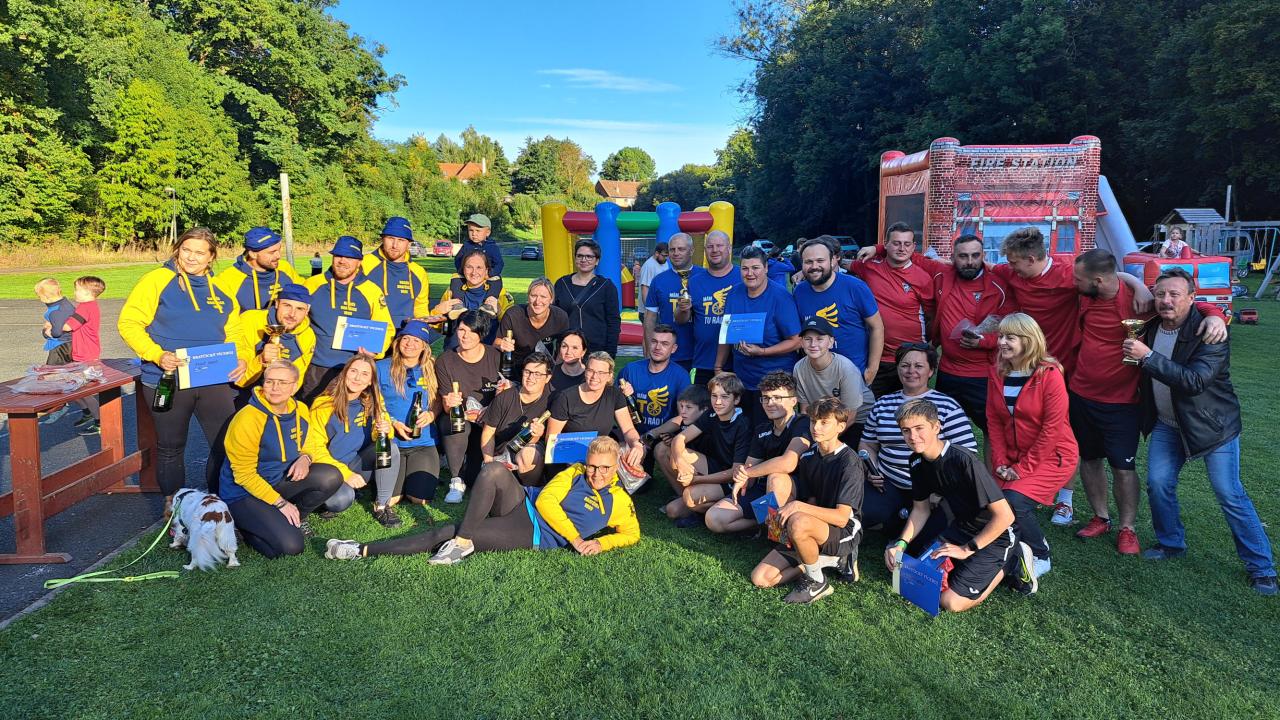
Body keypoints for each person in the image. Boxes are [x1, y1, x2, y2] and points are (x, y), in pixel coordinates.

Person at [1124, 269, 1277, 595]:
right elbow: (1112, 277)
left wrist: (1148, 357)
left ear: (1192, 299)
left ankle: (1262, 568)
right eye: (1160, 294)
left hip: (1212, 426)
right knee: (1158, 483)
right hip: (1168, 424)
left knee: (1229, 493)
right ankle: (1171, 544)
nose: (1166, 300)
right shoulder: (1149, 326)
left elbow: (1195, 381)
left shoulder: (1211, 332)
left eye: (1174, 294)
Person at [1068, 250, 1228, 553]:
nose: (1073, 283)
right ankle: (1101, 516)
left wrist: (1216, 315)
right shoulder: (1084, 295)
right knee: (1089, 459)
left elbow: (1185, 302)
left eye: (1078, 279)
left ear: (1098, 280)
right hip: (1081, 394)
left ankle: (1127, 528)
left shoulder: (1141, 302)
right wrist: (1133, 279)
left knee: (1122, 467)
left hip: (1123, 401)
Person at [325, 436, 639, 564]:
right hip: (524, 504)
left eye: (604, 468)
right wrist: (576, 538)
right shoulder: (576, 472)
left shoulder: (619, 502)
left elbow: (631, 533)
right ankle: (463, 542)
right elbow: (546, 502)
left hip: (533, 533)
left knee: (444, 532)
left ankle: (359, 549)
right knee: (492, 470)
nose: (596, 473)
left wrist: (601, 543)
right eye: (593, 465)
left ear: (616, 467)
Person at [118, 227, 250, 497]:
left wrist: (242, 356)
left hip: (212, 378)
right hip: (167, 379)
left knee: (225, 444)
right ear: (177, 250)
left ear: (211, 256)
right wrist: (156, 354)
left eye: (199, 253)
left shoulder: (221, 286)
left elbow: (234, 329)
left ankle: (219, 503)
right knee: (171, 447)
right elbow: (129, 323)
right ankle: (173, 506)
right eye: (186, 250)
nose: (191, 257)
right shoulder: (156, 280)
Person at [885, 399, 1038, 613]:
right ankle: (974, 561)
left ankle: (1012, 560)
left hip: (998, 532)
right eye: (906, 430)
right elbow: (921, 510)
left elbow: (1005, 517)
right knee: (913, 579)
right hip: (960, 528)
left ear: (936, 427)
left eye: (919, 428)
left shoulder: (964, 460)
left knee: (950, 602)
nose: (913, 436)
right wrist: (900, 544)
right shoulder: (916, 462)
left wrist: (967, 549)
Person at [220, 360, 347, 559]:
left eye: (282, 382)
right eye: (270, 381)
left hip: (278, 481)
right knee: (291, 547)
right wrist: (280, 503)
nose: (275, 388)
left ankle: (296, 518)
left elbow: (309, 443)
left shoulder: (300, 409)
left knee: (331, 476)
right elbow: (244, 476)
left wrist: (305, 458)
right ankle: (240, 526)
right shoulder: (248, 418)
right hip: (243, 492)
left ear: (294, 387)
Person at [985, 313, 1078, 579]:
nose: (1002, 342)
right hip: (1013, 456)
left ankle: (1040, 554)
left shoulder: (1049, 374)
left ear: (1028, 340)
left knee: (1013, 501)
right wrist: (1000, 461)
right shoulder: (997, 372)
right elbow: (994, 420)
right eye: (1001, 336)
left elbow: (1052, 429)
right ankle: (1008, 547)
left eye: (1010, 337)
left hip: (1053, 455)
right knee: (991, 501)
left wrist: (1022, 469)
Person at [858, 342, 973, 551]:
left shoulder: (947, 406)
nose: (911, 371)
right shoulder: (883, 403)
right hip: (889, 483)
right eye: (905, 365)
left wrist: (944, 490)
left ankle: (904, 530)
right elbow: (867, 443)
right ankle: (892, 522)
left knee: (926, 541)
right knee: (863, 512)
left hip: (932, 491)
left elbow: (967, 454)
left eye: (919, 366)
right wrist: (871, 469)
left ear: (931, 371)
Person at [750, 397, 864, 604]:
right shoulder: (809, 456)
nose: (816, 427)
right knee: (761, 578)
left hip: (843, 531)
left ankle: (817, 581)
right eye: (813, 421)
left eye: (824, 422)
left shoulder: (850, 462)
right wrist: (779, 521)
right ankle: (825, 561)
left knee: (798, 521)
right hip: (811, 526)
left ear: (840, 427)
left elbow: (841, 518)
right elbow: (811, 499)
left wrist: (796, 508)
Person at [931, 234, 1015, 437]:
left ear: (983, 255)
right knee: (939, 432)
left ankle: (988, 462)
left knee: (993, 432)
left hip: (983, 375)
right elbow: (909, 257)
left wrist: (983, 342)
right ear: (953, 257)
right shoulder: (942, 276)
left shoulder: (1000, 286)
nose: (970, 262)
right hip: (948, 373)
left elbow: (1013, 332)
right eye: (963, 256)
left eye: (975, 255)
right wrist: (878, 249)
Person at [707, 371, 811, 535]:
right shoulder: (762, 429)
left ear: (793, 401)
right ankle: (766, 523)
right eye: (765, 398)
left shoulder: (803, 423)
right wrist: (743, 476)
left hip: (797, 492)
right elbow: (749, 466)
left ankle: (779, 538)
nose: (770, 403)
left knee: (776, 477)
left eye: (777, 398)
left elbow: (788, 463)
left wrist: (748, 473)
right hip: (765, 490)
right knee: (714, 519)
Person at [845, 223, 936, 397]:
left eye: (907, 244)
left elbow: (931, 317)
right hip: (877, 356)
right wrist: (805, 272)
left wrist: (924, 346)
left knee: (911, 408)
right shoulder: (869, 266)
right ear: (885, 244)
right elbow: (841, 264)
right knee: (873, 406)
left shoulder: (922, 278)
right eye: (896, 243)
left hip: (910, 356)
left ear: (913, 247)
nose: (902, 248)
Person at [300, 235, 394, 402]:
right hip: (315, 366)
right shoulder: (312, 284)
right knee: (312, 412)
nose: (342, 261)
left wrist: (376, 351)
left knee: (346, 414)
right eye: (338, 256)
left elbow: (386, 328)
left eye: (349, 257)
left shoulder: (371, 290)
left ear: (359, 261)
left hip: (352, 369)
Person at [716, 245, 802, 428]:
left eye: (755, 268)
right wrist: (718, 367)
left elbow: (796, 341)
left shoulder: (780, 297)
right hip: (742, 380)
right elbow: (725, 334)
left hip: (773, 383)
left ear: (766, 268)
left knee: (768, 434)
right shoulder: (734, 294)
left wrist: (762, 351)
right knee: (743, 433)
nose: (750, 273)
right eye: (745, 268)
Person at [308, 355, 397, 524]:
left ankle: (382, 506)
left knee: (390, 448)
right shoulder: (324, 404)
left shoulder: (373, 400)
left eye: (364, 374)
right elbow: (314, 447)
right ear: (344, 373)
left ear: (370, 381)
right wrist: (345, 474)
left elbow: (382, 435)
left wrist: (385, 429)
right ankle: (330, 494)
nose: (357, 378)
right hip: (330, 469)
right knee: (340, 501)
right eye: (353, 371)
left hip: (356, 463)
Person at [661, 372, 752, 528]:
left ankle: (720, 508)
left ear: (736, 400)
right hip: (715, 466)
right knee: (672, 510)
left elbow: (735, 472)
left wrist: (695, 480)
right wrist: (681, 462)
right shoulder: (712, 413)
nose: (718, 402)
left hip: (731, 479)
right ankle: (698, 506)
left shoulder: (743, 425)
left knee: (689, 497)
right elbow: (679, 439)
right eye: (714, 396)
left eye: (725, 397)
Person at [436, 310, 507, 503]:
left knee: (475, 479)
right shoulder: (445, 360)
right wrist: (452, 404)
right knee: (455, 423)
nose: (465, 336)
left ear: (481, 334)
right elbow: (446, 406)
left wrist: (489, 411)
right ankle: (456, 480)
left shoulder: (496, 356)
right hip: (460, 418)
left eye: (472, 331)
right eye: (461, 330)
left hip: (488, 421)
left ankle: (473, 467)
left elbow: (507, 394)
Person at [793, 236, 883, 385]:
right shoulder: (799, 292)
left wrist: (872, 370)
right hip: (815, 377)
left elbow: (877, 327)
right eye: (808, 262)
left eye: (820, 261)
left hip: (853, 374)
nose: (814, 266)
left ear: (832, 260)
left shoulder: (855, 287)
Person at [377, 320, 443, 508]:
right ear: (398, 341)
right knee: (391, 500)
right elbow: (371, 402)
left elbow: (440, 398)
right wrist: (392, 422)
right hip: (392, 443)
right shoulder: (381, 367)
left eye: (416, 340)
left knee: (419, 499)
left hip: (423, 443)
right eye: (406, 338)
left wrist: (432, 414)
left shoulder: (432, 367)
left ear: (424, 346)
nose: (410, 344)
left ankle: (415, 476)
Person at [547, 352, 646, 473]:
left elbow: (628, 430)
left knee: (637, 450)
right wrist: (572, 458)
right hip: (570, 457)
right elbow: (551, 439)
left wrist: (636, 444)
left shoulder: (614, 395)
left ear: (609, 376)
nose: (594, 376)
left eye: (601, 373)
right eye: (591, 371)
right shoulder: (565, 398)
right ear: (585, 371)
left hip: (601, 452)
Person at [792, 317, 873, 443]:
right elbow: (805, 411)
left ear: (830, 342)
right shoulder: (799, 368)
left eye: (819, 339)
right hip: (823, 421)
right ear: (801, 343)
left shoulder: (846, 368)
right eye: (808, 339)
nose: (813, 344)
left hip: (857, 421)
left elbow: (851, 416)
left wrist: (823, 441)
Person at [480, 351, 555, 487]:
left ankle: (529, 491)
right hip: (502, 452)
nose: (531, 377)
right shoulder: (505, 397)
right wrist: (488, 462)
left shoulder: (552, 400)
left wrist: (536, 435)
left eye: (537, 374)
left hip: (530, 454)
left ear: (548, 377)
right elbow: (488, 432)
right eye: (527, 372)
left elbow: (536, 442)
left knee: (529, 453)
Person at [236, 283, 315, 397]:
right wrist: (261, 360)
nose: (292, 314)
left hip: (277, 396)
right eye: (287, 305)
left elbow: (296, 380)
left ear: (307, 311)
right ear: (277, 303)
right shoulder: (251, 320)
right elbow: (239, 379)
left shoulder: (307, 335)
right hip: (243, 391)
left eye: (300, 309)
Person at [618, 324, 692, 439]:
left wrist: (652, 435)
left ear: (673, 349)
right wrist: (620, 396)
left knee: (662, 449)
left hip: (663, 436)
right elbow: (613, 406)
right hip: (630, 435)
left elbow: (683, 416)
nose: (657, 347)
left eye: (664, 344)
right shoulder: (630, 370)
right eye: (654, 341)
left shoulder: (681, 376)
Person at [689, 230, 742, 385]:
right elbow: (684, 319)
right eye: (710, 246)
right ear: (705, 250)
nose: (715, 250)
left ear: (729, 248)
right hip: (704, 360)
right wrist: (682, 309)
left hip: (738, 362)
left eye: (719, 245)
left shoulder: (743, 276)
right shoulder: (695, 281)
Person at [360, 216, 432, 329]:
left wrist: (421, 331)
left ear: (409, 243)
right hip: (371, 331)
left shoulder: (418, 272)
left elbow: (420, 308)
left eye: (401, 240)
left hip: (404, 334)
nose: (394, 245)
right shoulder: (363, 263)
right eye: (390, 238)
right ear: (382, 239)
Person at [553, 238, 620, 356]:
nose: (584, 260)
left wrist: (610, 353)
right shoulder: (562, 283)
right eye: (580, 256)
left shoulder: (606, 286)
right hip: (567, 349)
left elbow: (613, 322)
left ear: (597, 260)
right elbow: (553, 315)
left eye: (589, 256)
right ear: (575, 258)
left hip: (596, 350)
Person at [643, 233, 700, 371]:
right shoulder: (659, 281)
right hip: (668, 355)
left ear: (691, 250)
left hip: (701, 354)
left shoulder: (704, 276)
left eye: (681, 249)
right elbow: (650, 319)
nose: (676, 253)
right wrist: (650, 351)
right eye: (672, 249)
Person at [212, 226, 302, 312]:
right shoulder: (228, 279)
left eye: (279, 250)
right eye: (272, 252)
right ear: (253, 254)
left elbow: (304, 294)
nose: (278, 256)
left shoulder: (284, 268)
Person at [435, 247, 510, 346]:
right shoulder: (451, 292)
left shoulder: (500, 293)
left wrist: (499, 312)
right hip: (455, 351)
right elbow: (440, 328)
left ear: (487, 270)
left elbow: (510, 326)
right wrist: (438, 312)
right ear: (463, 269)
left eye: (479, 267)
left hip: (487, 351)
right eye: (469, 267)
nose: (474, 272)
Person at [60, 276, 106, 434]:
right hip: (84, 352)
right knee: (73, 386)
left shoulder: (85, 307)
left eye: (77, 290)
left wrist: (52, 325)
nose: (74, 292)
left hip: (86, 355)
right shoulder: (90, 306)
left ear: (87, 292)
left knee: (84, 391)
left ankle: (100, 422)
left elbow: (68, 327)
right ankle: (88, 413)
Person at [495, 277, 569, 376]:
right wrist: (502, 344)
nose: (538, 301)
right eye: (533, 296)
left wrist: (555, 372)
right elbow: (496, 341)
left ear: (551, 299)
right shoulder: (513, 314)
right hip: (517, 369)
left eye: (543, 297)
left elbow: (565, 346)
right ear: (528, 296)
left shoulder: (560, 317)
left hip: (547, 370)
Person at [34, 277, 76, 366]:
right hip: (69, 343)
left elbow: (56, 333)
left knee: (53, 370)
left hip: (60, 346)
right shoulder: (65, 303)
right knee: (67, 368)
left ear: (46, 296)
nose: (40, 299)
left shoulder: (55, 312)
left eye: (39, 296)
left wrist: (46, 332)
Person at [637, 241, 670, 328]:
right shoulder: (649, 266)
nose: (666, 258)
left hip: (660, 309)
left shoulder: (665, 263)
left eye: (667, 256)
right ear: (656, 253)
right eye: (664, 255)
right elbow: (645, 288)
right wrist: (648, 310)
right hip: (651, 310)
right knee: (652, 334)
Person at [549, 330, 588, 395]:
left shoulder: (591, 376)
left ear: (583, 352)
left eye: (575, 348)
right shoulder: (550, 373)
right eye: (564, 346)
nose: (568, 352)